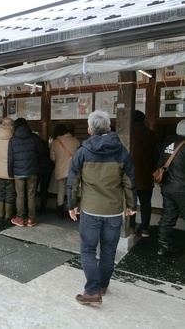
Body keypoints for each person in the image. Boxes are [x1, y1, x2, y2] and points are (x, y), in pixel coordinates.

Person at [67, 110, 136, 306]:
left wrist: (72, 206)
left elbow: (73, 182)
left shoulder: (82, 152)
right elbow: (129, 181)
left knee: (88, 249)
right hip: (114, 210)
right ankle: (103, 285)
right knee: (108, 250)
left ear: (89, 130)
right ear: (109, 128)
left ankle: (92, 292)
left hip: (90, 210)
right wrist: (131, 205)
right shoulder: (122, 151)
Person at [8, 118, 45, 227]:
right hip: (32, 171)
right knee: (31, 196)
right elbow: (43, 150)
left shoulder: (13, 140)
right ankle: (31, 219)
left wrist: (11, 173)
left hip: (18, 172)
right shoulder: (34, 137)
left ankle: (20, 218)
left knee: (19, 195)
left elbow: (10, 159)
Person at [156, 119, 185, 256]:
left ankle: (164, 247)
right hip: (182, 188)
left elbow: (160, 164)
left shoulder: (168, 144)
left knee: (167, 216)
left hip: (167, 187)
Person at [129, 110, 158, 237]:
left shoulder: (128, 134)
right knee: (146, 202)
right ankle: (144, 228)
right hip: (147, 174)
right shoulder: (151, 135)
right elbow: (156, 155)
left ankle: (130, 227)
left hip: (130, 175)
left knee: (131, 202)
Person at [50, 124, 80, 218]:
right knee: (72, 190)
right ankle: (73, 210)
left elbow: (52, 157)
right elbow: (80, 155)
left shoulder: (55, 142)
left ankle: (60, 211)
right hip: (74, 169)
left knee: (61, 190)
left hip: (60, 169)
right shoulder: (75, 140)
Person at [0, 117, 15, 219]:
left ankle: (0, 215)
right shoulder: (13, 137)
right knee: (10, 193)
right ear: (12, 125)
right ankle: (8, 216)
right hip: (10, 171)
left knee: (0, 193)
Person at [36, 135, 54, 215]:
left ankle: (31, 208)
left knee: (33, 189)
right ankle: (43, 208)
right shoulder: (48, 150)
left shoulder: (37, 151)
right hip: (48, 169)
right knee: (44, 189)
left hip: (38, 169)